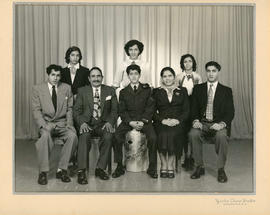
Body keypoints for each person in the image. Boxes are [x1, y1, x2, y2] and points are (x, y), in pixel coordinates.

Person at [32, 64, 78, 185]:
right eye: (53, 75)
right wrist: (43, 125)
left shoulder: (66, 88)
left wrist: (69, 124)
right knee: (45, 137)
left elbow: (69, 108)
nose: (55, 78)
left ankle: (62, 169)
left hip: (63, 123)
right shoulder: (38, 88)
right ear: (48, 75)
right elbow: (36, 110)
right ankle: (43, 172)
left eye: (58, 75)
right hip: (47, 123)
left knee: (72, 136)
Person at [189, 61, 235, 183]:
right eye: (208, 71)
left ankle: (220, 169)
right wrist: (195, 120)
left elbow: (230, 112)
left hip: (217, 124)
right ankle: (199, 167)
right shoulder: (198, 89)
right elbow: (193, 108)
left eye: (213, 71)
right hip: (202, 123)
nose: (210, 73)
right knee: (193, 134)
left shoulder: (226, 91)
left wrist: (221, 124)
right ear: (206, 72)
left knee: (222, 135)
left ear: (218, 72)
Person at [112, 64, 158, 179]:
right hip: (129, 121)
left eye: (136, 73)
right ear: (128, 76)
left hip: (144, 121)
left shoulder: (147, 90)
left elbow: (150, 107)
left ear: (140, 75)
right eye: (131, 74)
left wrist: (143, 121)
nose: (133, 76)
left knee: (153, 138)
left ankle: (152, 168)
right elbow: (122, 111)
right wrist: (130, 122)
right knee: (117, 136)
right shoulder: (123, 92)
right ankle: (119, 166)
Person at [73, 67, 118, 184]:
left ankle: (100, 168)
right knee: (84, 136)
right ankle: (81, 171)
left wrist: (110, 122)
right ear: (89, 78)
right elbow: (76, 111)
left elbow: (114, 110)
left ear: (102, 77)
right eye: (93, 76)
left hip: (103, 124)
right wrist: (82, 123)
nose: (96, 79)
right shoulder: (82, 91)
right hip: (87, 124)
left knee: (108, 136)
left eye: (98, 76)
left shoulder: (110, 91)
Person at [153, 67, 189, 178]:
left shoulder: (182, 90)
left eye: (170, 76)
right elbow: (152, 111)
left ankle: (171, 163)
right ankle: (163, 163)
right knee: (162, 134)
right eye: (164, 76)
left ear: (174, 77)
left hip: (177, 122)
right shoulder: (156, 91)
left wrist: (177, 120)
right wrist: (162, 120)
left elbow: (186, 110)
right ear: (161, 78)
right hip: (162, 122)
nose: (167, 78)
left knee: (173, 134)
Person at [176, 54, 202, 171]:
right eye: (185, 61)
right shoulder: (178, 76)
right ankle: (183, 157)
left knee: (192, 132)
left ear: (193, 63)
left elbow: (201, 93)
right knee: (182, 132)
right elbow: (176, 92)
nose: (187, 64)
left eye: (190, 61)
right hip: (182, 106)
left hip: (194, 105)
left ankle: (192, 157)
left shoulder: (197, 77)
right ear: (182, 64)